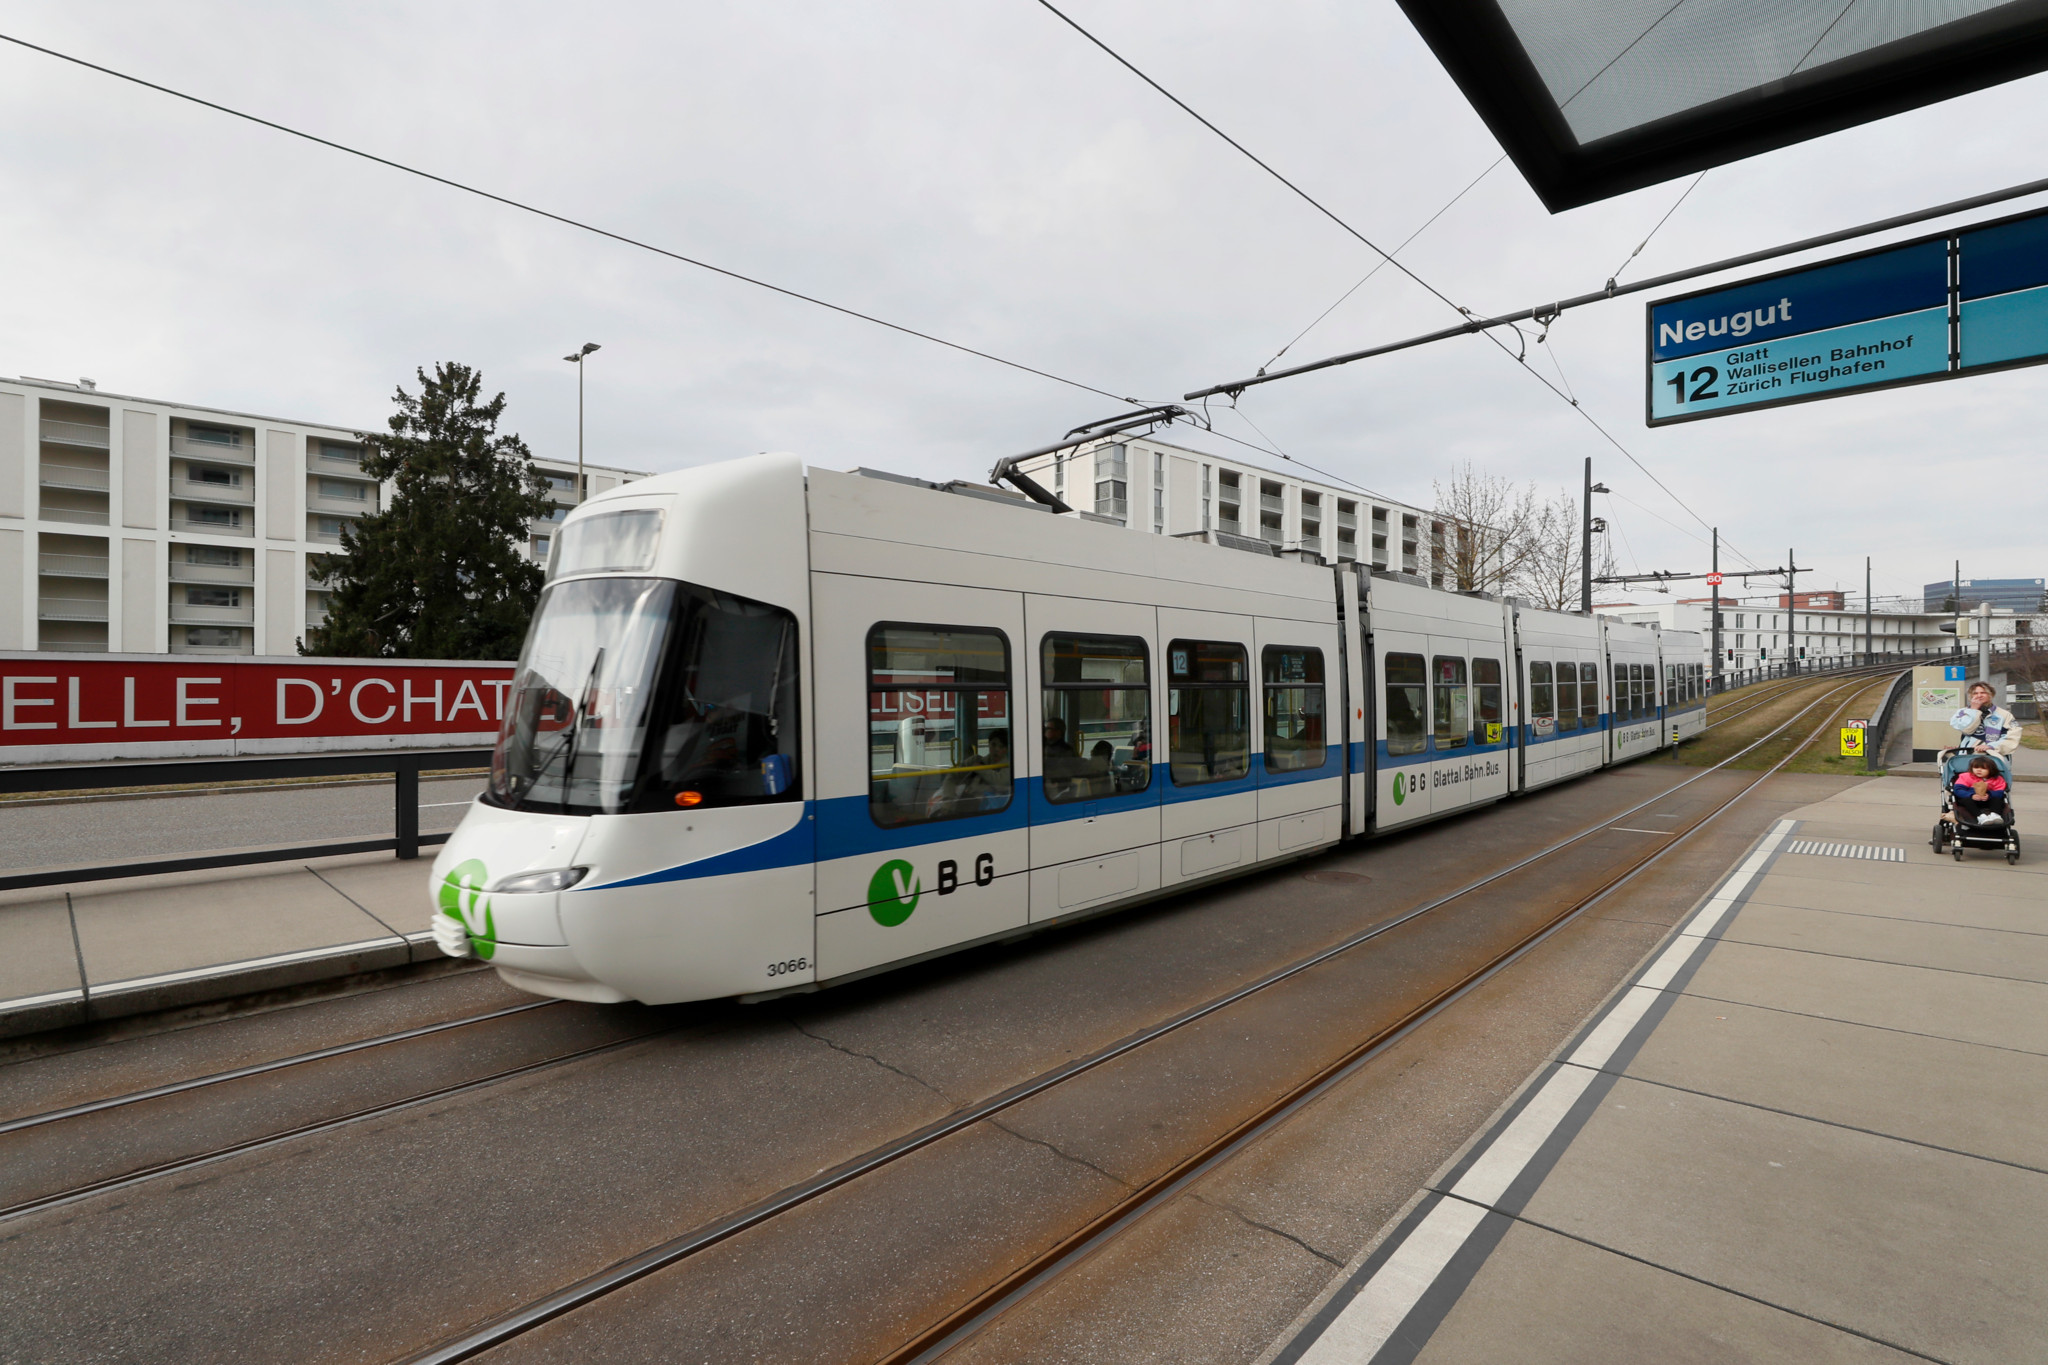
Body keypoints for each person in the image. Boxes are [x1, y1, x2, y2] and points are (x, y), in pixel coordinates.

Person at [1949, 680, 2022, 758]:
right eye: (1975, 693)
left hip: (1993, 758)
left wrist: (1991, 746)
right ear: (1971, 696)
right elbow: (1967, 729)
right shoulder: (1962, 712)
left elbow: (2012, 738)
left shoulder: (2004, 715)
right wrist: (1973, 711)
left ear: (1991, 695)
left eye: (1983, 693)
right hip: (1967, 756)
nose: (1979, 695)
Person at [1954, 753, 2011, 827]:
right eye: (1976, 768)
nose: (1979, 770)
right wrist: (1971, 795)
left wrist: (1990, 795)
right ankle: (1980, 816)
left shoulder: (1997, 779)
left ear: (1991, 769)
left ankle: (1995, 815)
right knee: (1966, 800)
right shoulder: (1966, 777)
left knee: (1997, 799)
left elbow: (2000, 792)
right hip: (1971, 798)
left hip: (1988, 799)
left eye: (1983, 768)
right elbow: (1958, 790)